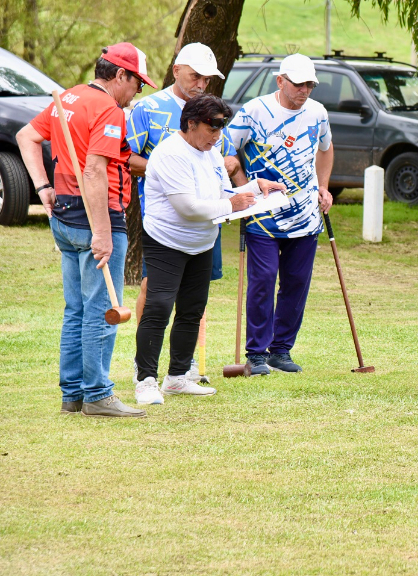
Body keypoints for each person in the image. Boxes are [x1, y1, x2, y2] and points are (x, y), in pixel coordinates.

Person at [15, 43, 157, 417]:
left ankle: (72, 395)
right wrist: (103, 232)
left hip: (63, 214)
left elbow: (26, 137)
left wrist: (43, 187)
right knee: (101, 309)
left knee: (76, 309)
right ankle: (97, 394)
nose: (136, 93)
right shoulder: (109, 110)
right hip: (98, 215)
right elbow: (94, 170)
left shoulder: (71, 96)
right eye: (137, 84)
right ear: (120, 75)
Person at [133, 95, 285, 404]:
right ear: (191, 124)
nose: (217, 137)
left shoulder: (211, 152)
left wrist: (255, 188)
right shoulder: (171, 153)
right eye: (211, 129)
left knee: (191, 309)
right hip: (166, 241)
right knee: (159, 307)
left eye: (220, 130)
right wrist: (231, 204)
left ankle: (177, 378)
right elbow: (188, 206)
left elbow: (220, 193)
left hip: (201, 243)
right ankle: (145, 380)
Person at [127, 42, 242, 384]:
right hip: (163, 219)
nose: (201, 84)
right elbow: (127, 158)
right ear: (176, 70)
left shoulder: (212, 113)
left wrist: (234, 178)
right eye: (196, 76)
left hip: (207, 215)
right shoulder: (148, 107)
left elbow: (229, 159)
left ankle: (185, 365)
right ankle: (143, 366)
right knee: (156, 294)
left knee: (195, 295)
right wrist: (172, 172)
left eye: (208, 78)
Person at [224, 54, 333, 375]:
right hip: (263, 216)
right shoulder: (255, 111)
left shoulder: (317, 113)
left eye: (310, 84)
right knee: (264, 280)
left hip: (305, 217)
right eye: (298, 84)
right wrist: (244, 189)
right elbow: (226, 149)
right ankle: (256, 353)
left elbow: (326, 148)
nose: (304, 90)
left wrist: (323, 187)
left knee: (297, 282)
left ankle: (280, 350)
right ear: (280, 81)